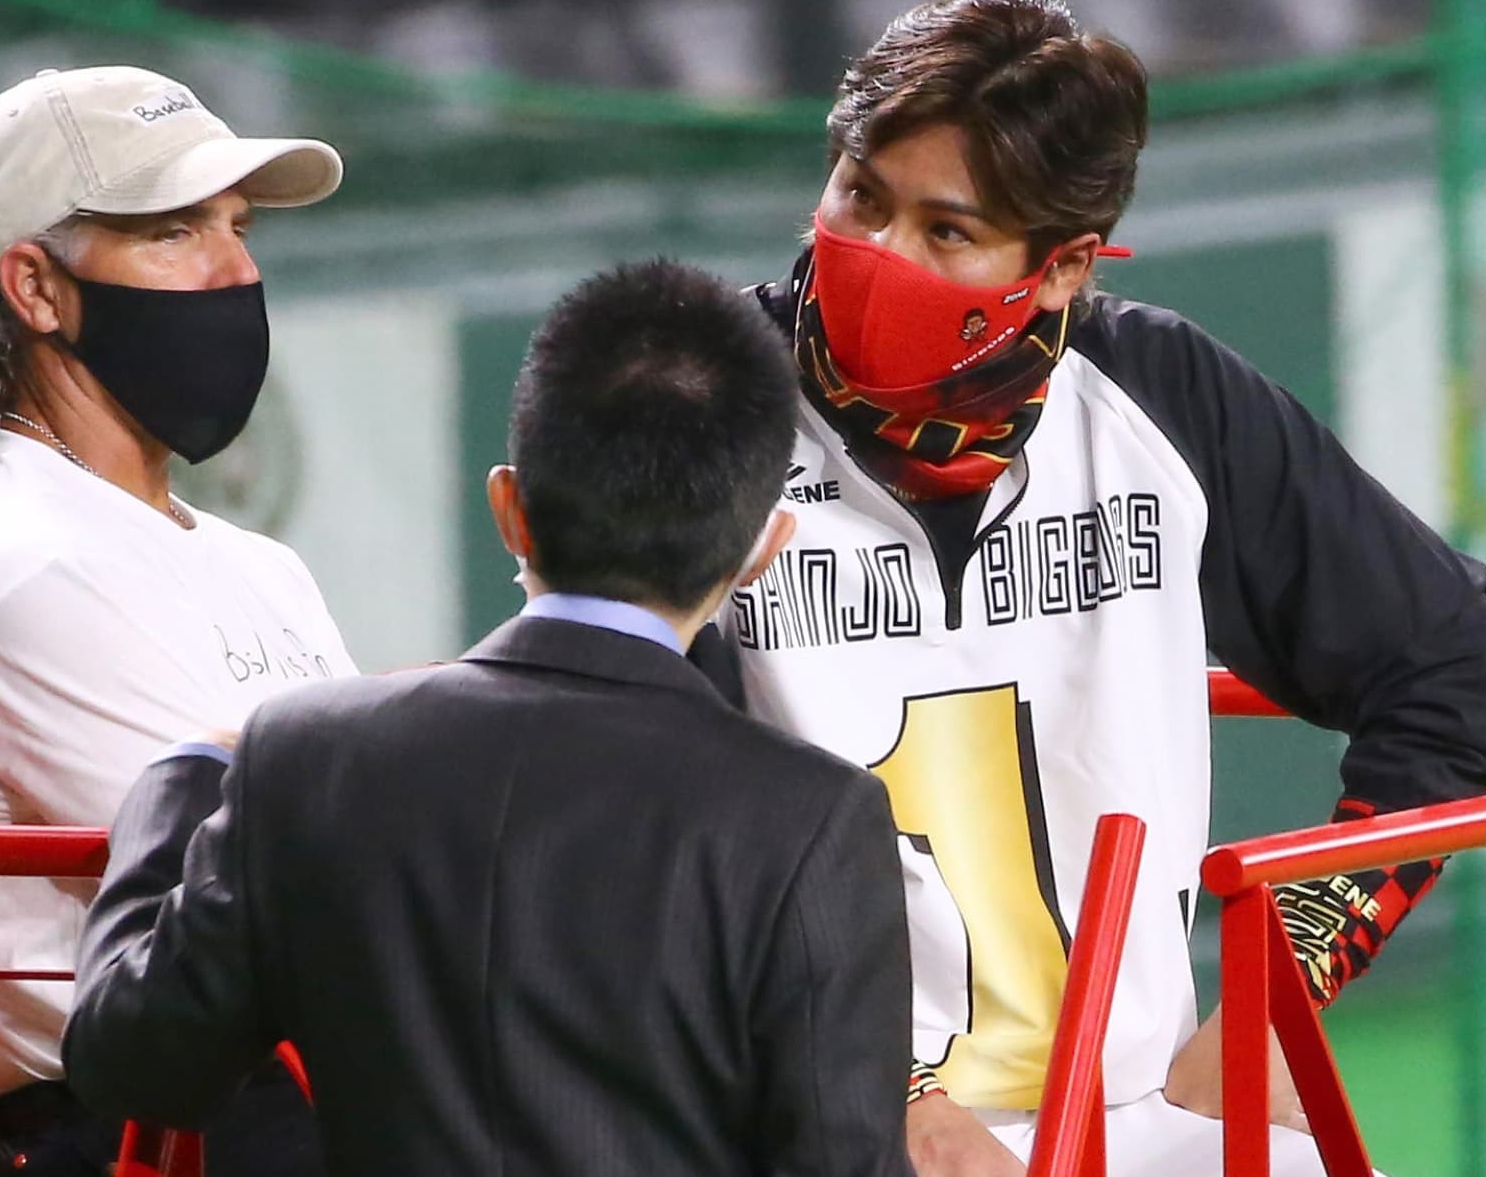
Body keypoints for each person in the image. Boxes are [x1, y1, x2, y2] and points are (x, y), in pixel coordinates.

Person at [720, 0, 1486, 1175]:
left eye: (945, 231)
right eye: (859, 195)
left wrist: (1277, 981)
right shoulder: (697, 404)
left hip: (1138, 1121)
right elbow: (627, 801)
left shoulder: (1158, 394)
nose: (873, 255)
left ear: (1059, 270)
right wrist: (882, 1096)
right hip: (806, 1130)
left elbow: (1457, 677)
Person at [63, 262, 916, 1177]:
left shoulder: (302, 754)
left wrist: (184, 777)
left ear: (508, 506)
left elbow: (135, 1062)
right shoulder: (815, 818)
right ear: (762, 552)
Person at [0, 65, 354, 1176]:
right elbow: (265, 893)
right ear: (35, 288)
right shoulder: (4, 563)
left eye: (235, 226)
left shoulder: (255, 564)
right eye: (175, 232)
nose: (238, 270)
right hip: (133, 1134)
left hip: (278, 1105)